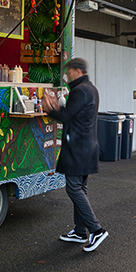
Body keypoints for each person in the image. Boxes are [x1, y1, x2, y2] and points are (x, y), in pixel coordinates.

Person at [43, 58, 108, 253]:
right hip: (87, 146)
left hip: (79, 148)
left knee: (73, 189)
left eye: (69, 72)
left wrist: (50, 108)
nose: (66, 75)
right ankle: (80, 231)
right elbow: (73, 113)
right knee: (81, 188)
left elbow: (65, 116)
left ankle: (96, 230)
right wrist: (57, 107)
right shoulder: (90, 88)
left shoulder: (80, 91)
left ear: (78, 71)